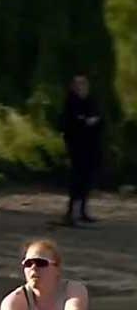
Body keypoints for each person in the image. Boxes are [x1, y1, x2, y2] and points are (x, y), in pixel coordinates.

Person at [60, 73, 104, 225]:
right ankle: (71, 213)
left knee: (87, 179)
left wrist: (93, 121)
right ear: (74, 87)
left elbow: (99, 119)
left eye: (84, 84)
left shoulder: (91, 101)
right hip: (76, 147)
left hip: (91, 146)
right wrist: (85, 122)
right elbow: (70, 123)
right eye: (79, 84)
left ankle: (83, 211)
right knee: (76, 179)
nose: (82, 87)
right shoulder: (71, 102)